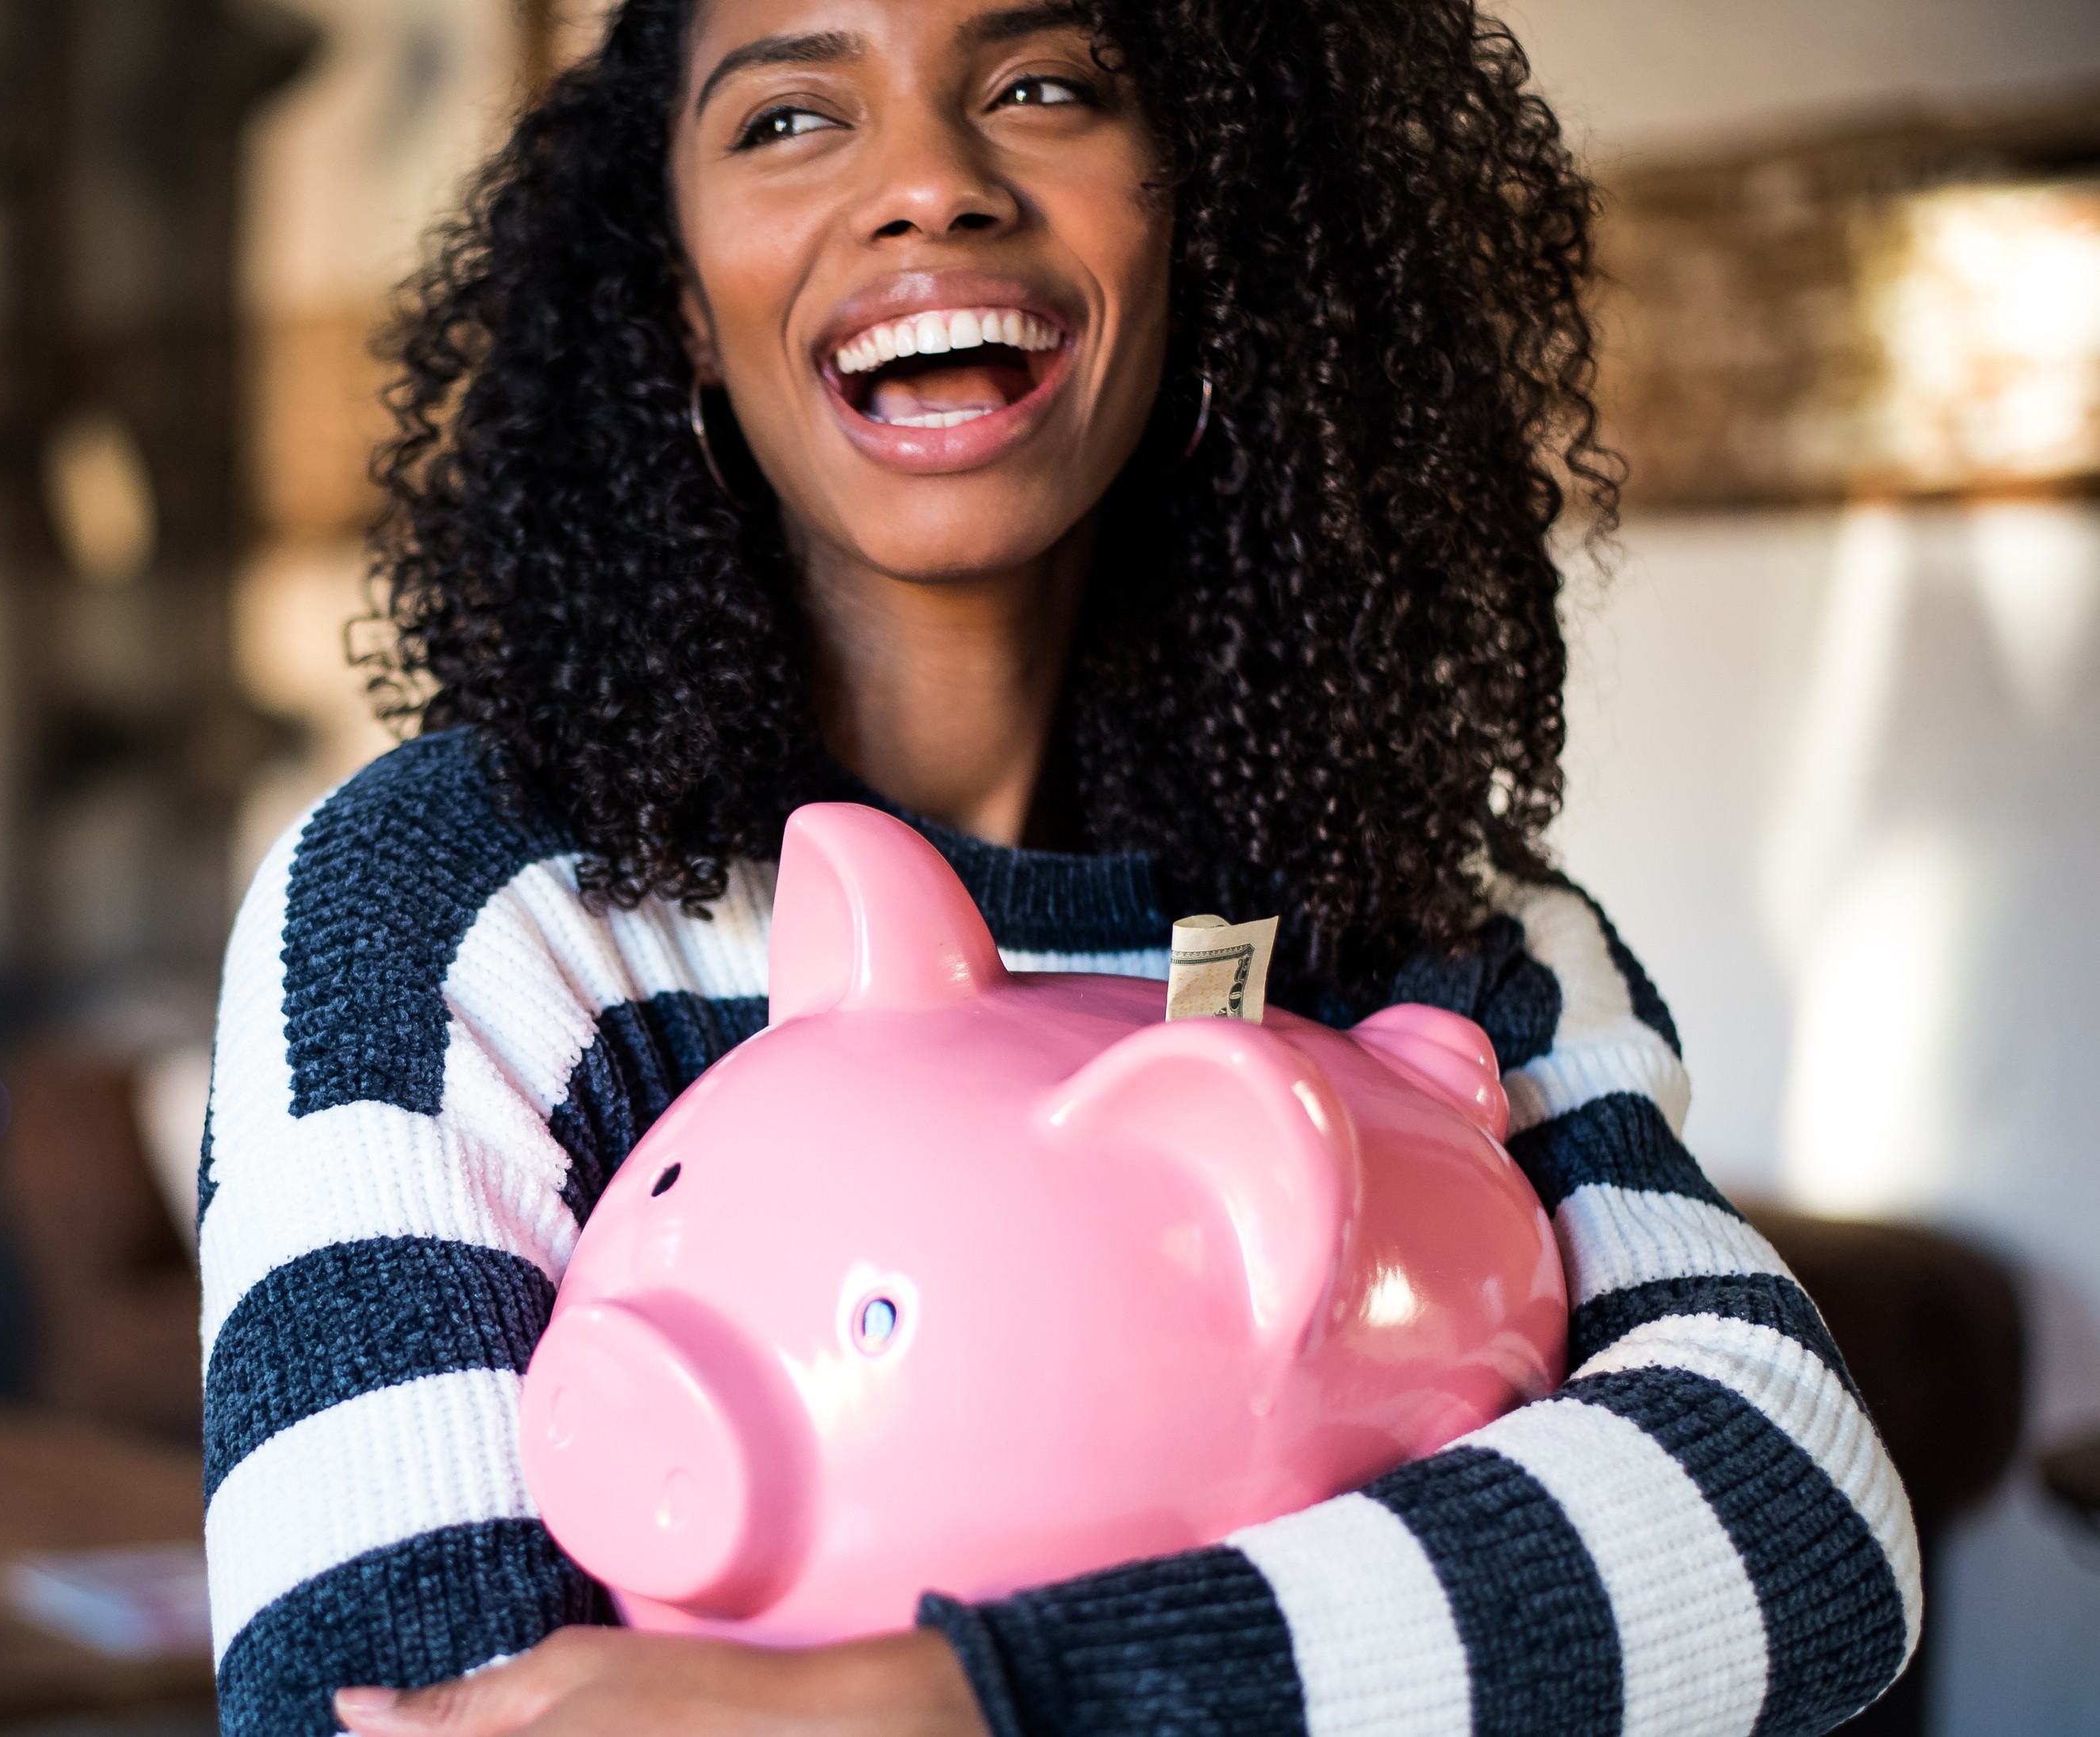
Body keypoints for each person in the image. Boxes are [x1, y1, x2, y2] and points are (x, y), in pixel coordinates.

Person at [197, 1, 1918, 1732]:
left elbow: (1795, 1521)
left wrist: (960, 1704)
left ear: (1202, 222)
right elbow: (380, 1700)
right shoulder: (456, 917)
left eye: (1040, 88)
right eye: (789, 118)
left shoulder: (1439, 932)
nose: (929, 185)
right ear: (679, 308)